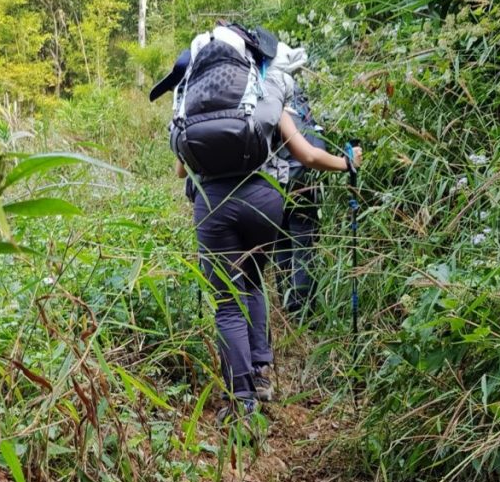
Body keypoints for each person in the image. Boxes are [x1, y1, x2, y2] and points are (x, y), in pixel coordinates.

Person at [152, 26, 362, 423]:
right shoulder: (261, 89)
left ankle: (241, 399)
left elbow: (182, 170)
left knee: (228, 302)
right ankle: (262, 373)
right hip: (265, 202)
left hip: (215, 205)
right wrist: (348, 162)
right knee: (252, 282)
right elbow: (308, 156)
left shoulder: (190, 97)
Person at [273, 89, 329, 317]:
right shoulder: (303, 110)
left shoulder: (266, 99)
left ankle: (286, 299)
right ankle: (302, 310)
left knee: (280, 241)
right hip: (304, 182)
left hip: (273, 185)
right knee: (303, 244)